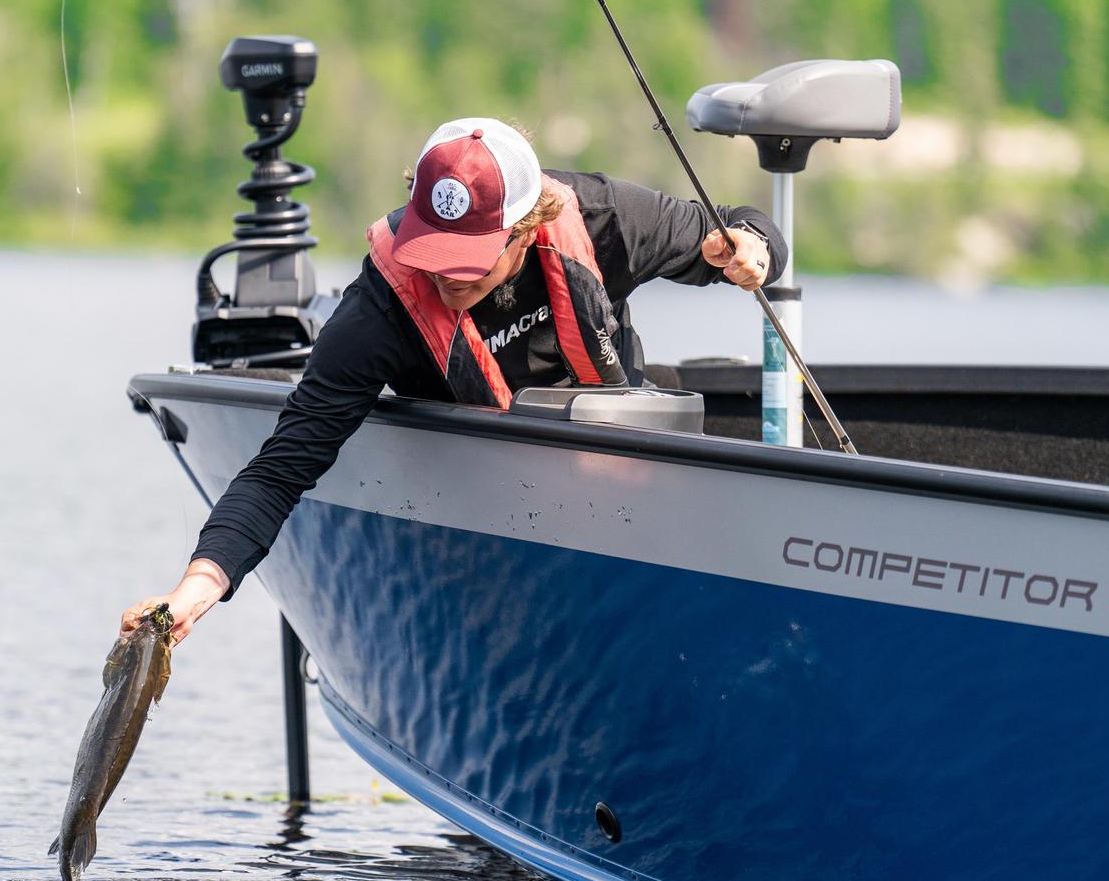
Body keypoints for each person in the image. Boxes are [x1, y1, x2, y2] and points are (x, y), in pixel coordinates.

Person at [122, 117, 786, 643]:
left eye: (469, 263)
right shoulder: (379, 310)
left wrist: (751, 250)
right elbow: (279, 469)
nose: (446, 279)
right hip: (493, 543)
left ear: (527, 231)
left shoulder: (605, 218)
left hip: (630, 516)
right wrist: (197, 588)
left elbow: (746, 232)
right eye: (435, 256)